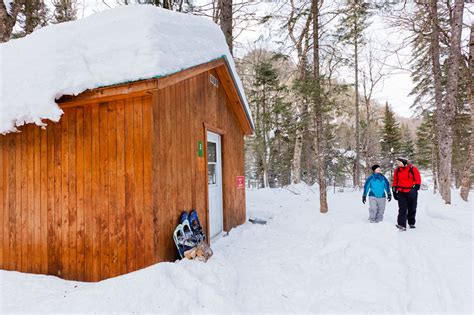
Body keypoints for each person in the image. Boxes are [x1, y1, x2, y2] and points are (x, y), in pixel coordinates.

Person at [392, 157, 422, 231]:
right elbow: (395, 180)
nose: (398, 164)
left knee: (412, 208)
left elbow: (418, 180)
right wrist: (394, 190)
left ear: (404, 162)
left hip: (411, 191)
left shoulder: (413, 169)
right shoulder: (397, 170)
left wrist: (414, 189)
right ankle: (401, 224)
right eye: (397, 162)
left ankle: (411, 222)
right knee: (402, 208)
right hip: (401, 191)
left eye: (399, 162)